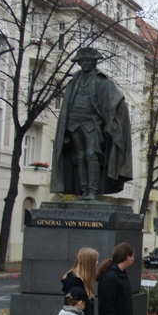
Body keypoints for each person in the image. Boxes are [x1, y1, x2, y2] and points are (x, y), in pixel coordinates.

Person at [50, 47, 133, 201]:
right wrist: (65, 130)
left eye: (88, 60)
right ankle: (83, 190)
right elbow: (67, 105)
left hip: (91, 123)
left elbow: (116, 100)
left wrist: (114, 120)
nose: (85, 63)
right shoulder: (74, 81)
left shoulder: (103, 81)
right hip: (73, 123)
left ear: (95, 62)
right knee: (79, 156)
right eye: (82, 61)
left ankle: (93, 191)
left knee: (91, 155)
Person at [62, 247, 99, 315]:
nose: (97, 263)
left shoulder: (83, 281)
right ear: (88, 262)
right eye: (95, 260)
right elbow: (71, 308)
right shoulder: (75, 281)